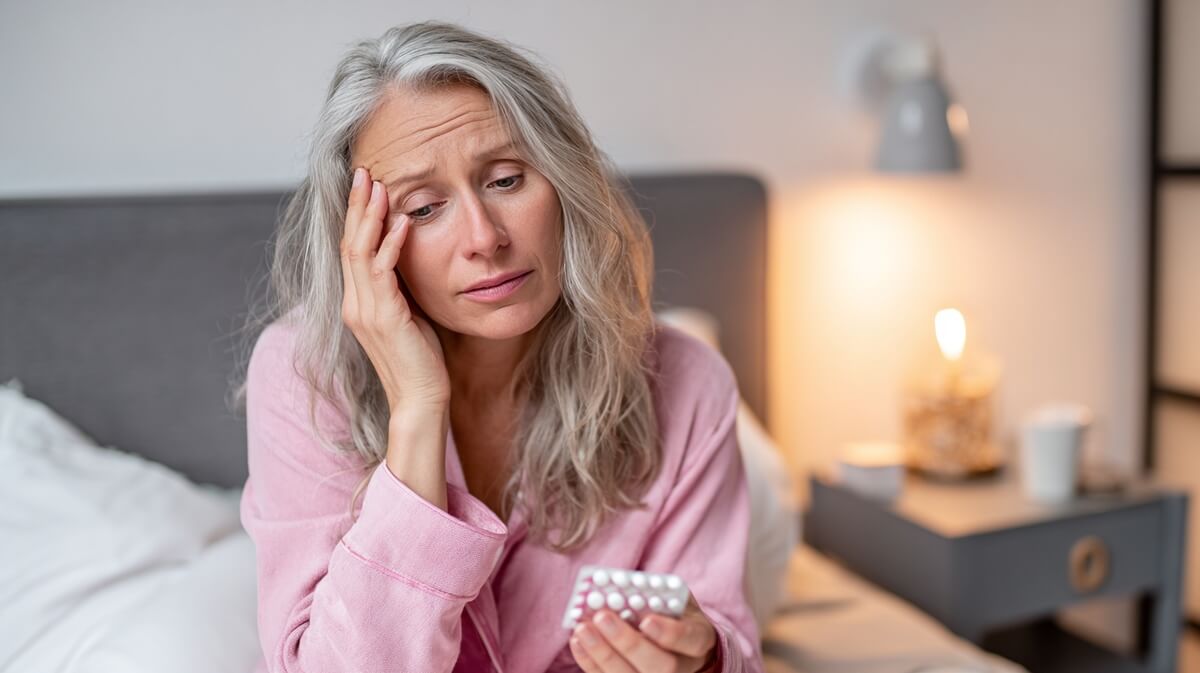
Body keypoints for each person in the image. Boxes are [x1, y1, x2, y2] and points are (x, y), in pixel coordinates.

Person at [233, 19, 764, 673]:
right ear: (362, 243)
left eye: (506, 180)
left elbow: (724, 635)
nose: (483, 237)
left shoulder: (687, 383)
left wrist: (703, 656)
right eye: (424, 208)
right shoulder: (302, 374)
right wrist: (418, 408)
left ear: (565, 184)